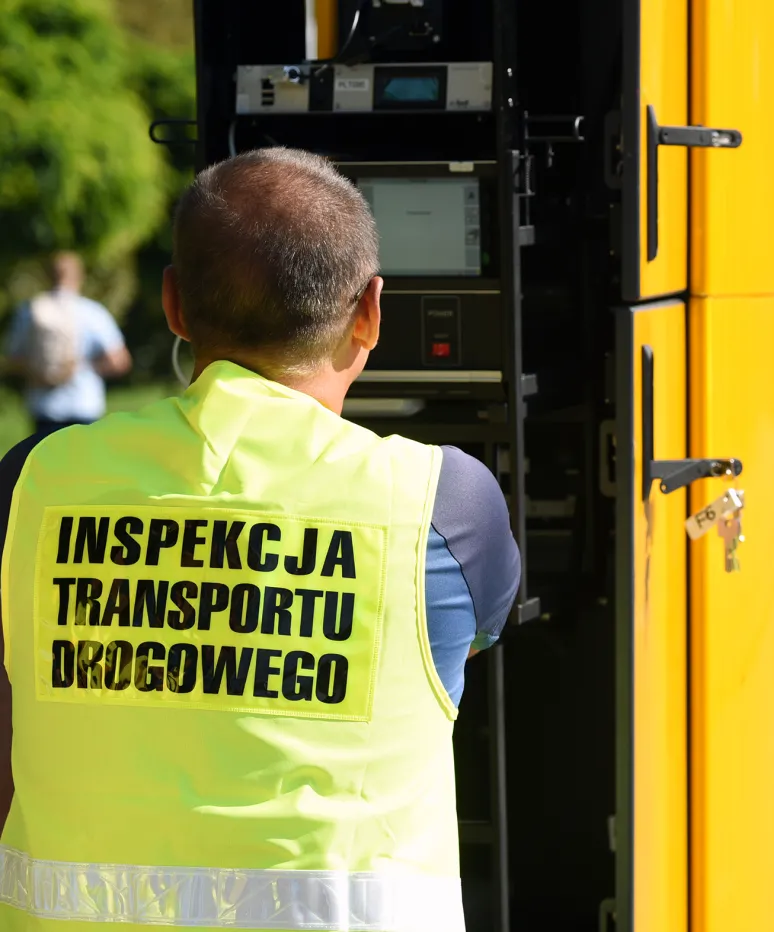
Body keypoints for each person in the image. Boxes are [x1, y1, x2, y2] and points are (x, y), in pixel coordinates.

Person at [0, 147, 520, 931]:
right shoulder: (448, 508)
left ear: (174, 307)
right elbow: (467, 645)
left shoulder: (31, 484)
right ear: (370, 311)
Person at [5, 251, 132, 438]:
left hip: (44, 408)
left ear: (48, 276)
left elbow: (13, 359)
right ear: (79, 277)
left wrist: (41, 370)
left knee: (50, 466)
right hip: (84, 405)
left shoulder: (28, 311)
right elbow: (120, 361)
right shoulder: (92, 312)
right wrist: (85, 367)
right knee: (85, 466)